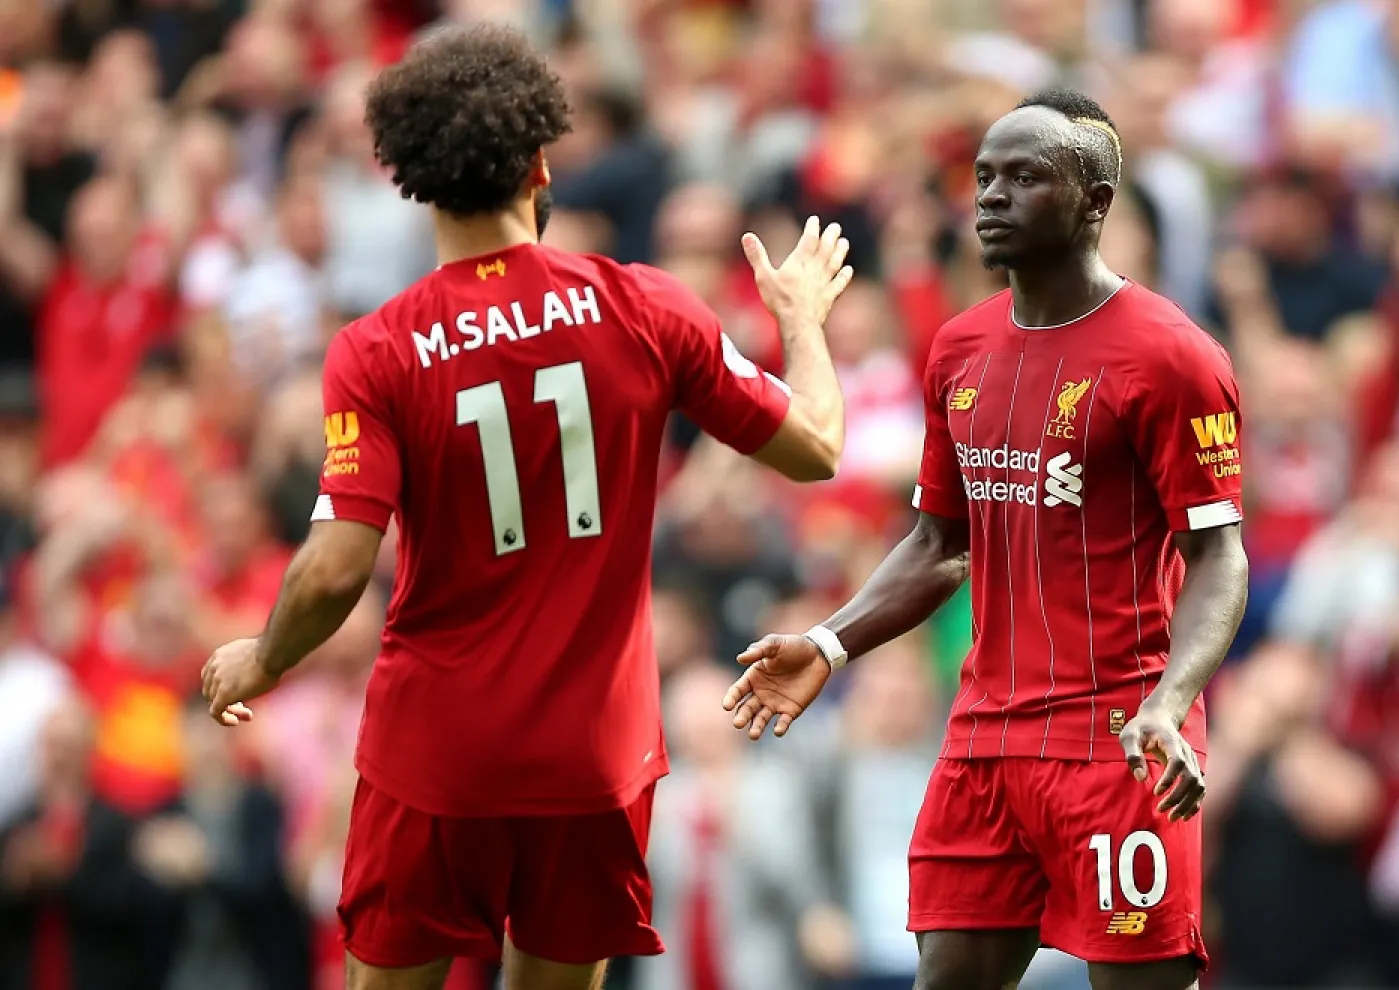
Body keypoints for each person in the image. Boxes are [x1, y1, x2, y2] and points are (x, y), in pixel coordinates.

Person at [198, 24, 853, 990]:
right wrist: (802, 325)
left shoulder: (377, 350)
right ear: (544, 161)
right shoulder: (645, 306)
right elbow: (817, 448)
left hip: (436, 757)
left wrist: (263, 655)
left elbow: (340, 564)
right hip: (591, 758)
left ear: (410, 180)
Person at [724, 87, 1249, 990]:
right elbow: (938, 544)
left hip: (1118, 739)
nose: (992, 196)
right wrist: (828, 642)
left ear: (1096, 202)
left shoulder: (1172, 356)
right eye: (984, 176)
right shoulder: (959, 349)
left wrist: (1173, 700)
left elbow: (1219, 553)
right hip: (983, 741)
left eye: (1026, 176)